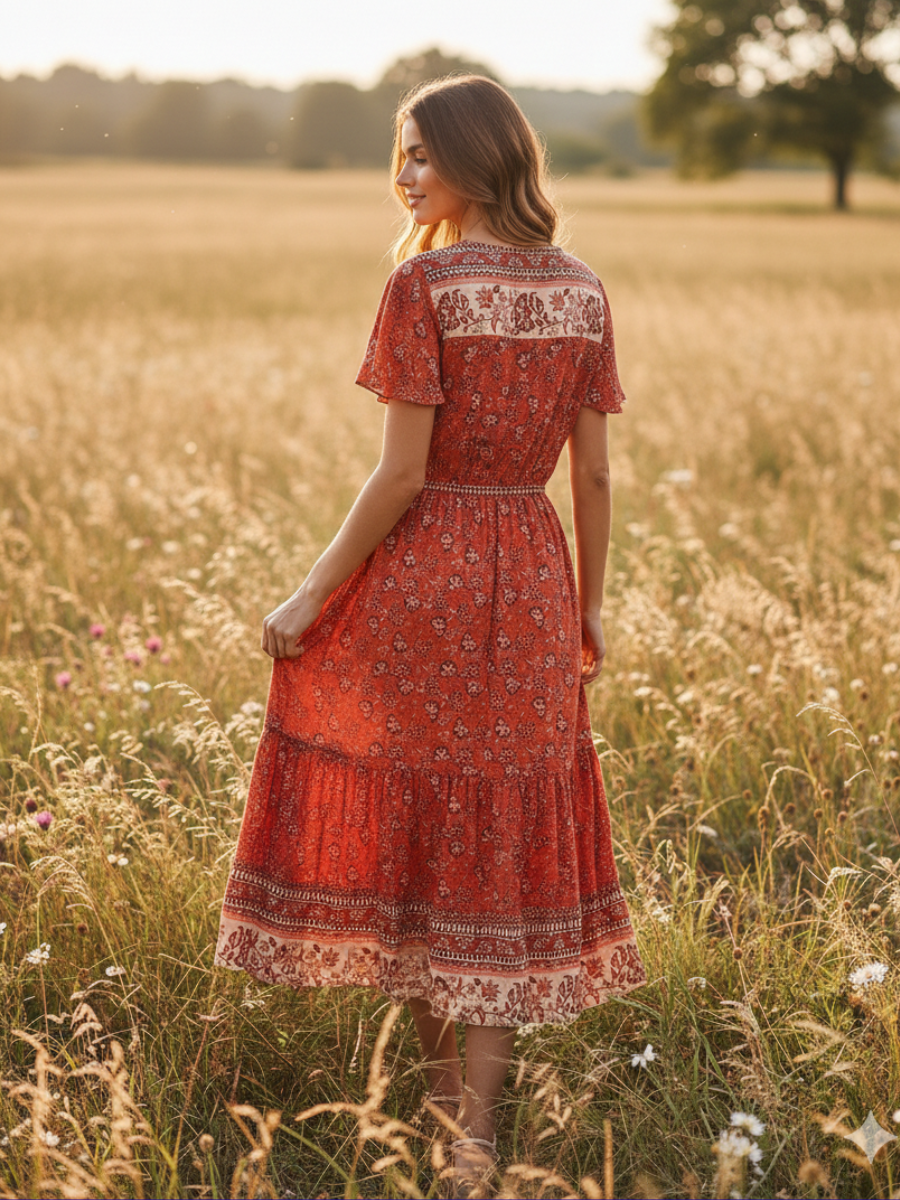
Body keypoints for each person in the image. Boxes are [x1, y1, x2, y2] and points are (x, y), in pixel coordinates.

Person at [214, 74, 648, 1198]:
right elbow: (592, 471)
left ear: (471, 154)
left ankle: (446, 1120)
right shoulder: (584, 289)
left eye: (416, 155)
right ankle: (474, 1139)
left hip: (427, 580)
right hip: (535, 575)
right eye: (396, 155)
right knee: (497, 849)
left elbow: (402, 473)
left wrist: (311, 595)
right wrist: (593, 601)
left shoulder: (425, 284)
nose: (401, 176)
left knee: (422, 835)